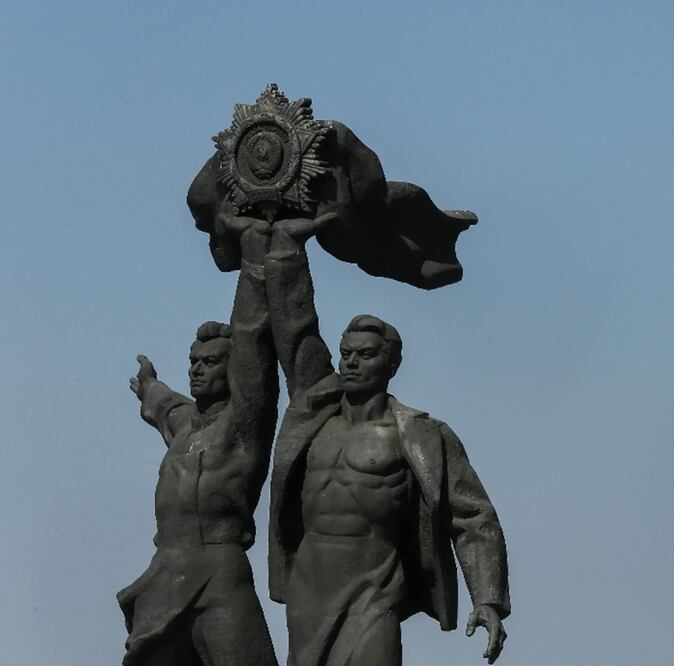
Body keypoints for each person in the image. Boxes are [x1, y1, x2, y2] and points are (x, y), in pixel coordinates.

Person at [254, 213, 510, 666]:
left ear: (390, 364)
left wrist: (488, 599)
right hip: (310, 588)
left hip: (375, 585)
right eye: (346, 354)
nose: (351, 363)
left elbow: (473, 517)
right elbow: (296, 329)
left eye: (365, 355)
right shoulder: (313, 412)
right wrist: (288, 250)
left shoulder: (420, 434)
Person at [117, 218, 279, 665]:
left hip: (219, 573)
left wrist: (254, 261)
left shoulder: (244, 425)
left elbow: (252, 340)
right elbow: (164, 404)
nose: (197, 369)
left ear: (233, 371)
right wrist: (149, 385)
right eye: (194, 361)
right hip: (166, 573)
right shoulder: (184, 425)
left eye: (210, 362)